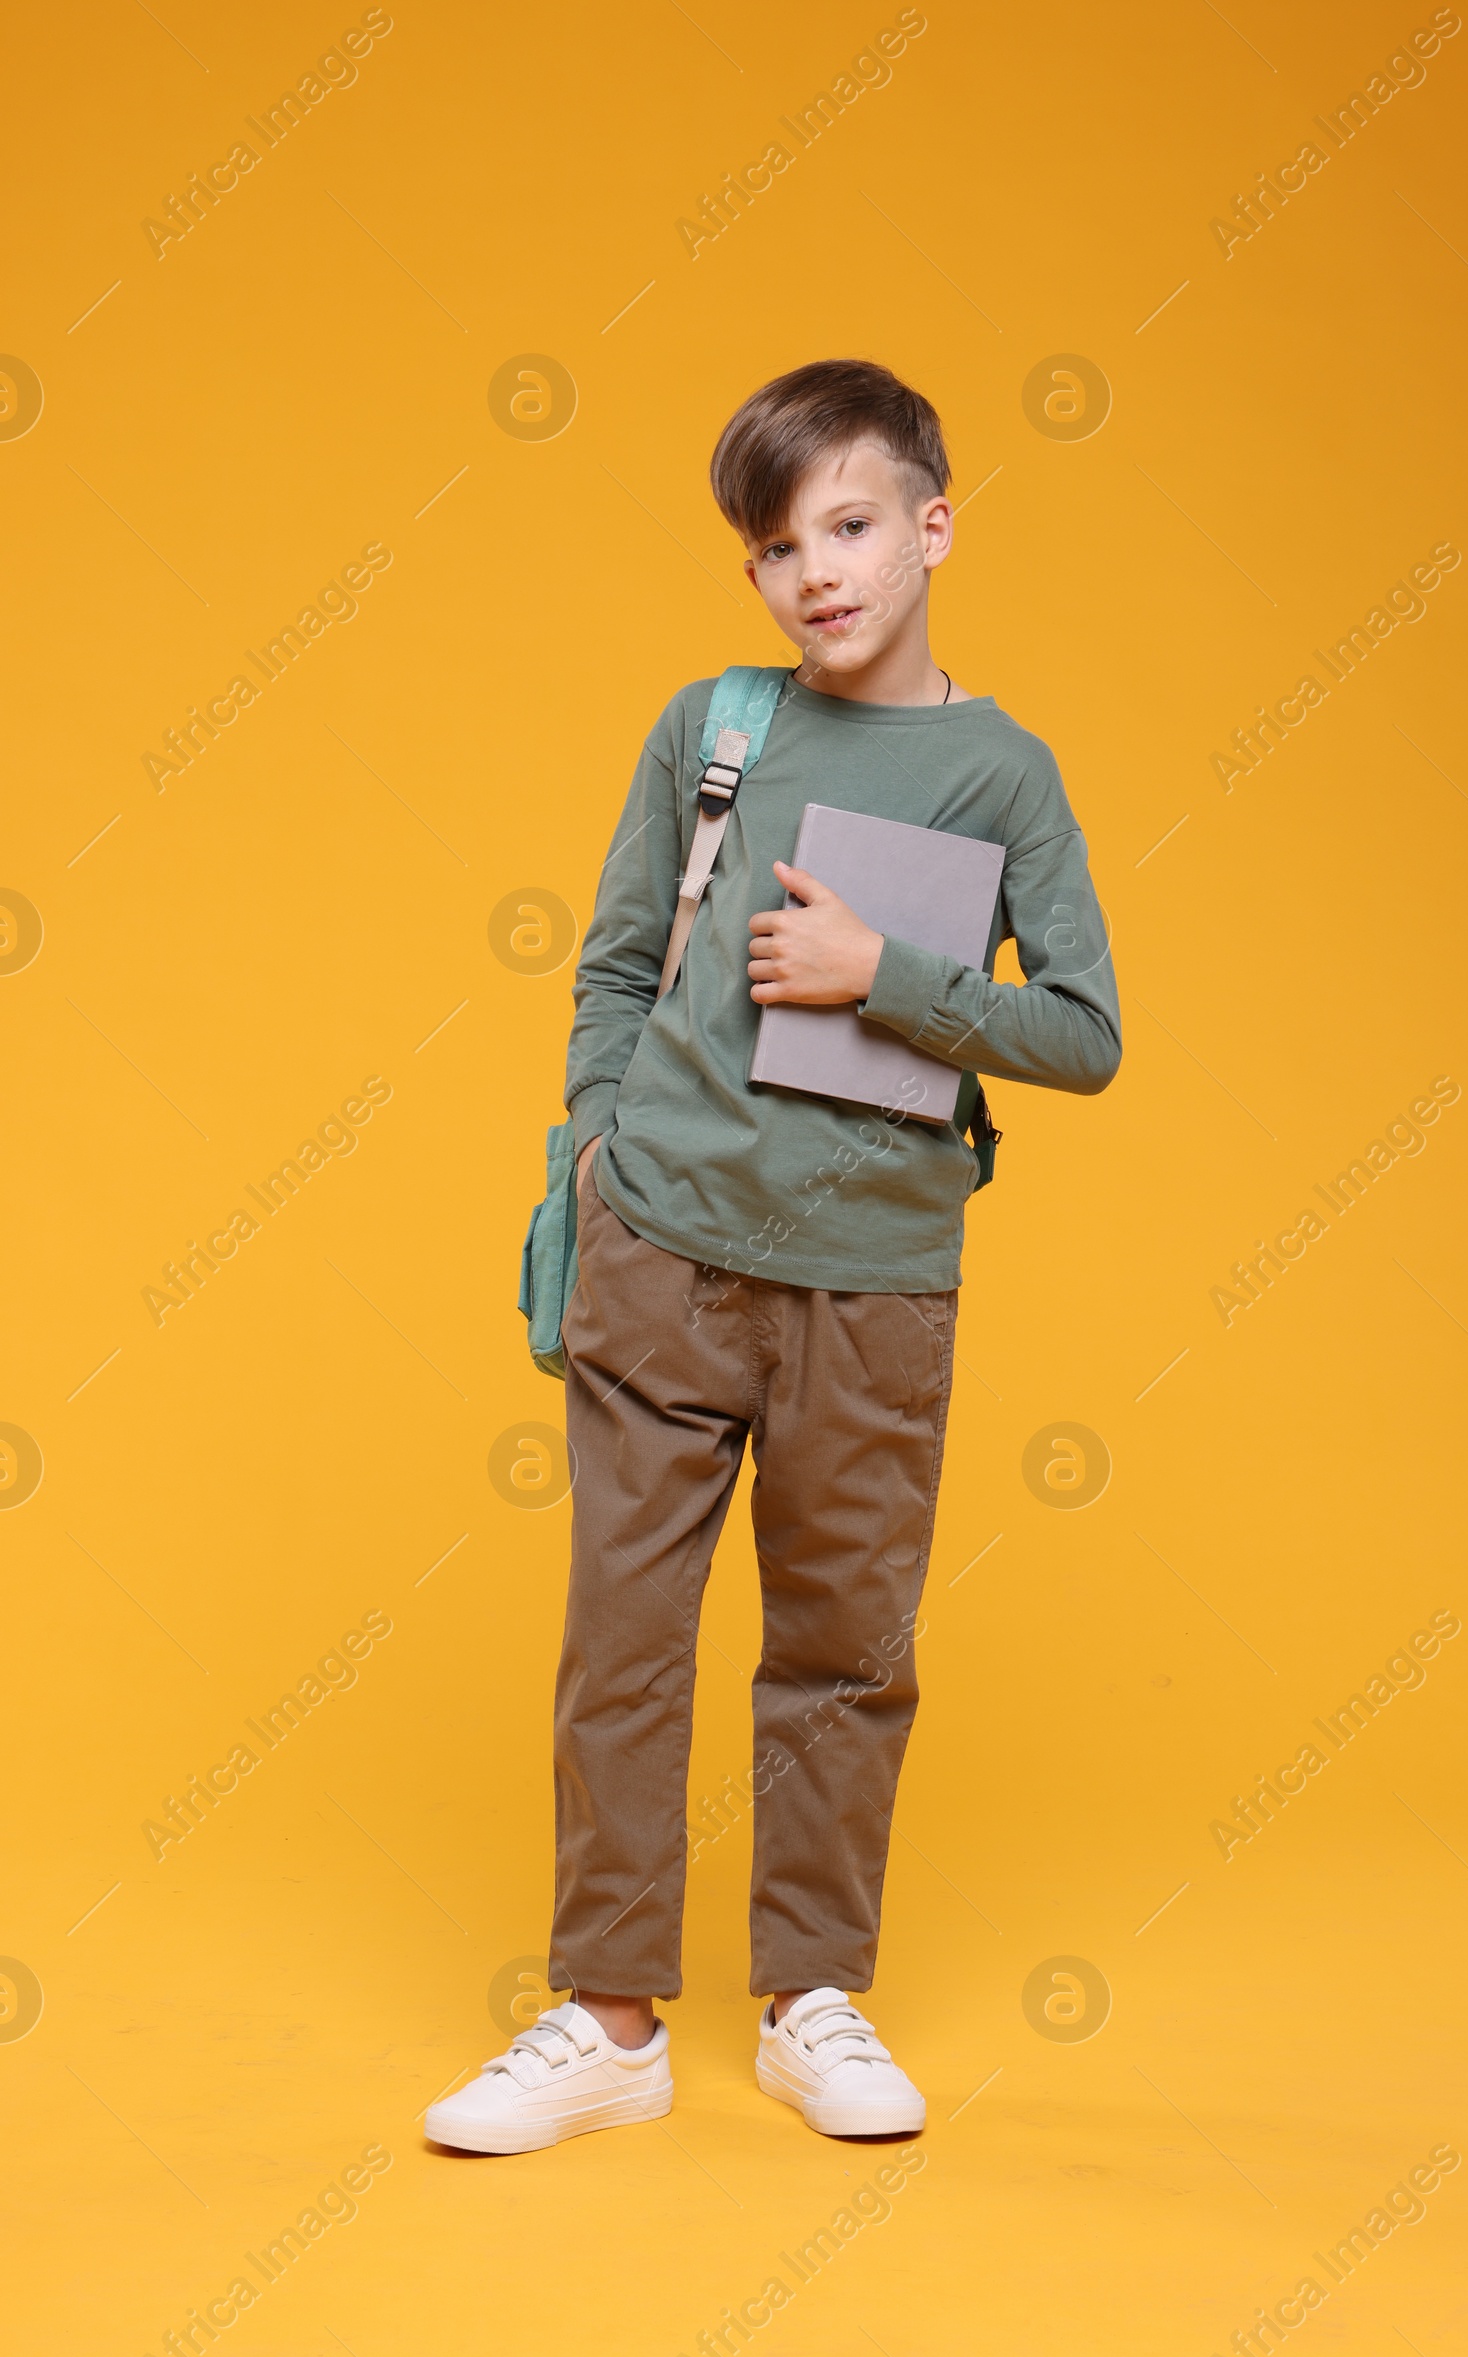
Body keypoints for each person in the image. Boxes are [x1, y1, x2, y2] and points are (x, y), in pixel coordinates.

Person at [427, 358, 1121, 2156]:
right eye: (774, 544)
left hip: (879, 1280)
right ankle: (607, 2019)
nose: (814, 570)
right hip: (662, 1247)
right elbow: (611, 965)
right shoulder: (711, 729)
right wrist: (595, 1154)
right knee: (622, 1639)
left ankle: (817, 1999)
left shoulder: (1002, 772)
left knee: (840, 1644)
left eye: (850, 523)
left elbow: (1090, 1034)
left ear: (931, 527)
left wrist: (882, 979)